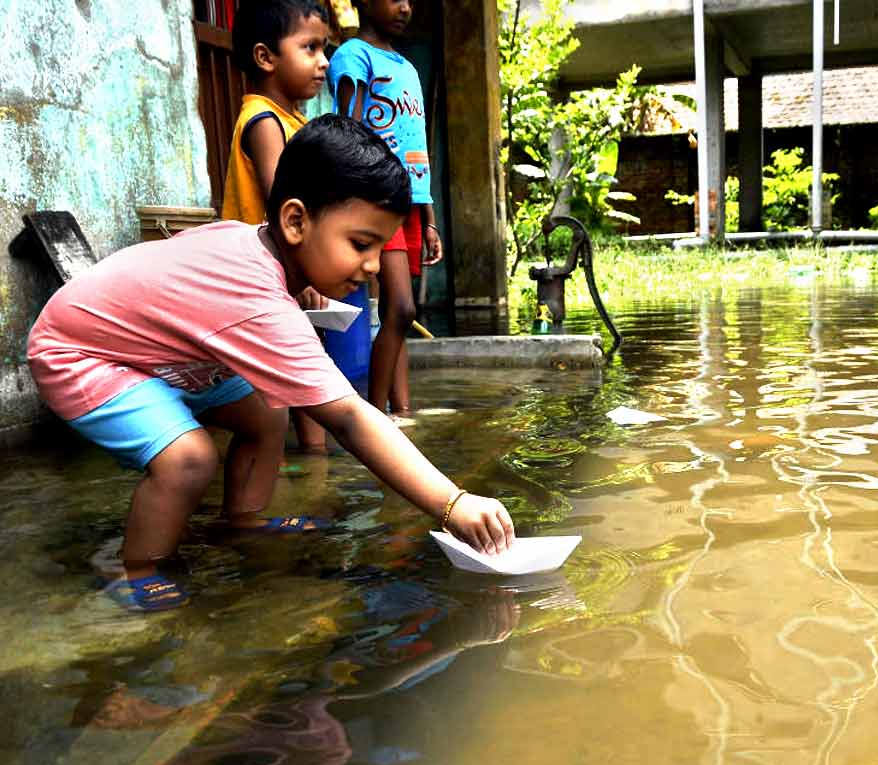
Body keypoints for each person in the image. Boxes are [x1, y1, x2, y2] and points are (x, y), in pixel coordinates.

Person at [27, 116, 514, 612]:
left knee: (266, 412)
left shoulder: (260, 252)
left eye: (378, 247)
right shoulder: (259, 301)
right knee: (189, 458)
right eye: (361, 244)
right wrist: (453, 503)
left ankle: (243, 521)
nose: (371, 266)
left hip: (153, 352)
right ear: (296, 221)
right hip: (80, 354)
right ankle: (141, 567)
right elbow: (348, 417)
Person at [222, 0, 331, 455]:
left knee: (305, 360)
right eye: (309, 47)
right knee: (299, 362)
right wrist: (300, 267)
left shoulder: (293, 119)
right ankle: (315, 458)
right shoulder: (263, 120)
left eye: (324, 48)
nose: (323, 61)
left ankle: (315, 454)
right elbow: (280, 196)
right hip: (264, 268)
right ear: (266, 57)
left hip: (283, 268)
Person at [327, 0, 441, 416]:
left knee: (399, 315)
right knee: (402, 308)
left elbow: (418, 148)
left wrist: (429, 220)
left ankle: (404, 412)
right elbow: (351, 130)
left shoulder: (408, 68)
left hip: (410, 204)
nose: (406, 7)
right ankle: (374, 418)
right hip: (376, 198)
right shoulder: (352, 57)